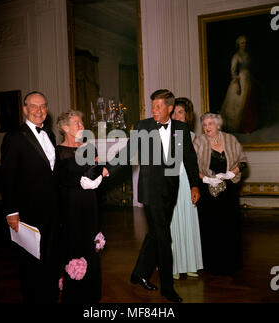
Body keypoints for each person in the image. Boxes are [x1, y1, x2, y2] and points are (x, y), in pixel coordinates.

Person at [105, 89, 200, 302]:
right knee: (164, 238)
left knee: (156, 234)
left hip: (170, 190)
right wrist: (108, 169)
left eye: (158, 106)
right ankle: (168, 287)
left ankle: (138, 274)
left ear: (170, 108)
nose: (153, 110)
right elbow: (128, 151)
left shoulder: (181, 128)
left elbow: (190, 159)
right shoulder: (143, 126)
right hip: (150, 191)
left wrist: (195, 186)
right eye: (152, 106)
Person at [1, 91, 60, 303]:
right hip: (28, 212)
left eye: (43, 106)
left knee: (51, 257)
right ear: (25, 109)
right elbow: (8, 178)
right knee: (30, 262)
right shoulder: (14, 137)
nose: (39, 110)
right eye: (34, 106)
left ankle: (50, 296)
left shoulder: (50, 135)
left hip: (53, 211)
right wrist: (11, 212)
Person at [56, 109, 104, 303]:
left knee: (90, 248)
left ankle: (92, 295)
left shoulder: (90, 149)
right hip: (69, 208)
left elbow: (97, 172)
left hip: (89, 206)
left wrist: (100, 174)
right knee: (73, 247)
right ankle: (74, 294)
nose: (82, 127)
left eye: (82, 123)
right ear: (65, 127)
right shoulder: (57, 152)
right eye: (77, 123)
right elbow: (58, 182)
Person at [193, 112, 247, 275]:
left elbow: (243, 161)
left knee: (230, 226)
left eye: (210, 124)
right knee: (210, 227)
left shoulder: (230, 139)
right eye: (204, 124)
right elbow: (192, 167)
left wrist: (231, 173)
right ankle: (211, 264)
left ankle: (231, 263)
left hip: (229, 190)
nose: (207, 127)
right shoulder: (199, 142)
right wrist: (206, 180)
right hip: (207, 191)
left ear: (218, 125)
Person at [170, 98, 203, 279]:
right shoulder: (164, 133)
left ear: (187, 116)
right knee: (172, 221)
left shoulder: (192, 137)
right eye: (173, 112)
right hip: (170, 182)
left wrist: (195, 186)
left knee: (189, 220)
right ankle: (173, 265)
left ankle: (190, 263)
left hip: (187, 182)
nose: (176, 115)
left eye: (180, 112)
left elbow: (194, 164)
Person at [220, 35, 258, 134]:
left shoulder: (248, 55)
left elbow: (250, 69)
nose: (244, 45)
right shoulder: (236, 56)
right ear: (238, 44)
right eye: (242, 43)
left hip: (248, 80)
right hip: (240, 81)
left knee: (249, 103)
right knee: (239, 104)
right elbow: (233, 71)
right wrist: (237, 84)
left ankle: (249, 126)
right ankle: (241, 128)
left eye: (245, 42)